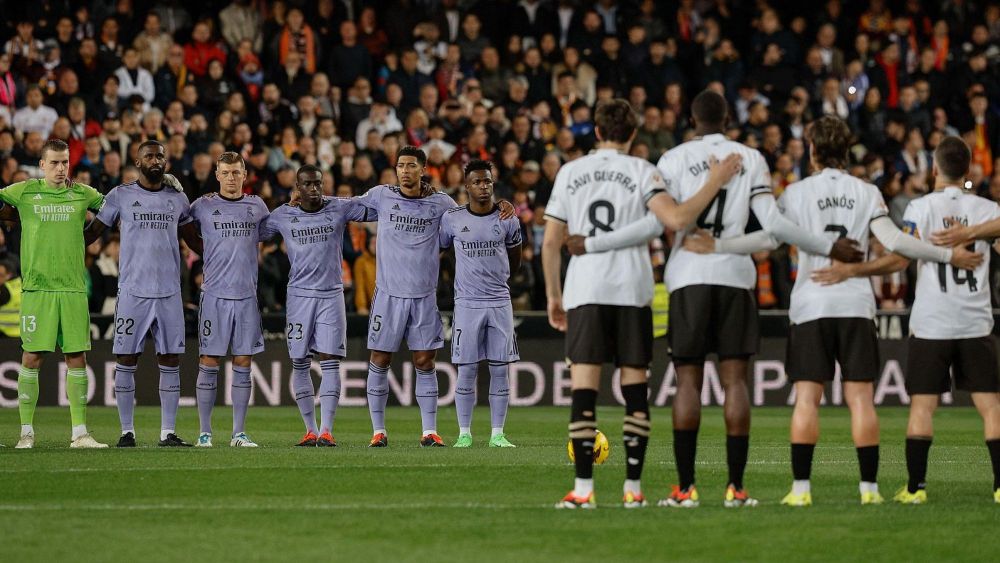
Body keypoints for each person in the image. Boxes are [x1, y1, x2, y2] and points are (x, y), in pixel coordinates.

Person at [567, 91, 864, 508]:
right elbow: (774, 228)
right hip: (736, 278)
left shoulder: (670, 159)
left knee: (687, 380)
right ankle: (736, 489)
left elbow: (658, 224)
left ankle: (684, 488)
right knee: (735, 381)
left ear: (691, 118)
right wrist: (824, 247)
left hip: (686, 276)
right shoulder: (751, 157)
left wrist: (596, 243)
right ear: (728, 119)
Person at [686, 117, 981, 506]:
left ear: (812, 151)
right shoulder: (866, 191)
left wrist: (720, 247)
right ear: (846, 150)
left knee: (807, 398)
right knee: (861, 399)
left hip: (811, 302)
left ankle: (801, 490)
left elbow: (770, 237)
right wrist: (947, 254)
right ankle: (870, 491)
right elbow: (896, 242)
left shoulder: (796, 192)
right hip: (856, 303)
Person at [542, 98, 742, 509]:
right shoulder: (643, 171)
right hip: (632, 290)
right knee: (635, 392)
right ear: (633, 134)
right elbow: (675, 220)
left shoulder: (570, 171)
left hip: (585, 289)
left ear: (596, 131)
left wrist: (553, 295)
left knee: (584, 392)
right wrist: (714, 181)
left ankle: (583, 490)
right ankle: (633, 489)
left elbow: (550, 241)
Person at [854, 137, 1000, 505]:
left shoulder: (919, 207)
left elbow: (903, 256)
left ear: (934, 169)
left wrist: (861, 269)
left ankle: (916, 489)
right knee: (992, 406)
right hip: (975, 321)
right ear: (968, 171)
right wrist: (974, 234)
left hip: (931, 321)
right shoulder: (986, 209)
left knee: (922, 406)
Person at [356, 146, 513, 448]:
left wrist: (501, 205)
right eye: (400, 165)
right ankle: (378, 431)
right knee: (380, 357)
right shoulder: (381, 196)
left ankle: (429, 431)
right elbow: (346, 207)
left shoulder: (441, 203)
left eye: (411, 165)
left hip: (424, 296)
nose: (404, 171)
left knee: (425, 360)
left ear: (424, 169)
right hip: (388, 294)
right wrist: (315, 202)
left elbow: (471, 215)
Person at [84, 140, 202, 447]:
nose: (155, 159)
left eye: (160, 155)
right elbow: (94, 233)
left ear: (167, 161)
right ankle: (126, 431)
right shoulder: (121, 195)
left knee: (171, 358)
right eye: (149, 155)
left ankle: (168, 432)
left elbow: (194, 240)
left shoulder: (177, 198)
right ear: (138, 162)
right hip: (133, 292)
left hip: (169, 293)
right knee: (126, 357)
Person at [0, 140, 107, 448]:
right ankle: (26, 433)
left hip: (73, 288)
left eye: (65, 162)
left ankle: (79, 434)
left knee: (77, 357)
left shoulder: (82, 194)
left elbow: (114, 208)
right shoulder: (24, 191)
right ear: (42, 165)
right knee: (31, 357)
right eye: (55, 163)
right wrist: (8, 220)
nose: (61, 168)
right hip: (37, 289)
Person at [259, 165, 373, 447]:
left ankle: (326, 431)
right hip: (298, 296)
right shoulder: (283, 215)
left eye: (318, 184)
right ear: (297, 187)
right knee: (299, 360)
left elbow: (376, 206)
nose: (314, 189)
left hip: (331, 295)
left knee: (330, 360)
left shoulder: (338, 208)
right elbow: (254, 231)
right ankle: (309, 429)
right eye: (308, 184)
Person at [189, 152, 270, 447]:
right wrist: (204, 251)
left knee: (243, 360)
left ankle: (238, 432)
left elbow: (268, 235)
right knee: (209, 359)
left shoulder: (257, 206)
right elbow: (185, 228)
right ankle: (205, 432)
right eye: (226, 173)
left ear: (245, 175)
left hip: (246, 296)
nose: (232, 178)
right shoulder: (203, 206)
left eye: (237, 173)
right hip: (214, 295)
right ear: (217, 175)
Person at [439, 160, 521, 448]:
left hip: (499, 301)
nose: (483, 186)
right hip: (467, 303)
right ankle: (464, 433)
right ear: (467, 186)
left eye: (487, 181)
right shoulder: (452, 219)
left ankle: (497, 433)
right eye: (477, 182)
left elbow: (516, 257)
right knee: (467, 368)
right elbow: (440, 250)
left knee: (500, 368)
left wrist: (503, 279)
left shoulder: (508, 218)